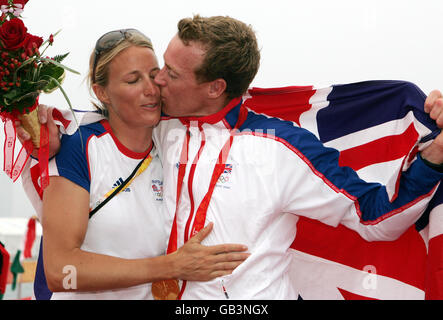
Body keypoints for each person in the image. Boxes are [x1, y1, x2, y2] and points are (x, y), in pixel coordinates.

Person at [19, 15, 443, 300]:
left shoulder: (282, 148)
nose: (158, 82)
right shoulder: (158, 124)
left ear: (215, 87)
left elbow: (376, 218)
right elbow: (109, 113)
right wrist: (46, 123)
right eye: (156, 69)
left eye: (170, 73)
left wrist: (435, 156)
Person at [26, 28, 249, 300]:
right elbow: (61, 272)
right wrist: (170, 266)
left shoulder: (177, 143)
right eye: (133, 81)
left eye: (155, 75)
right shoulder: (80, 146)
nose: (151, 89)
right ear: (102, 93)